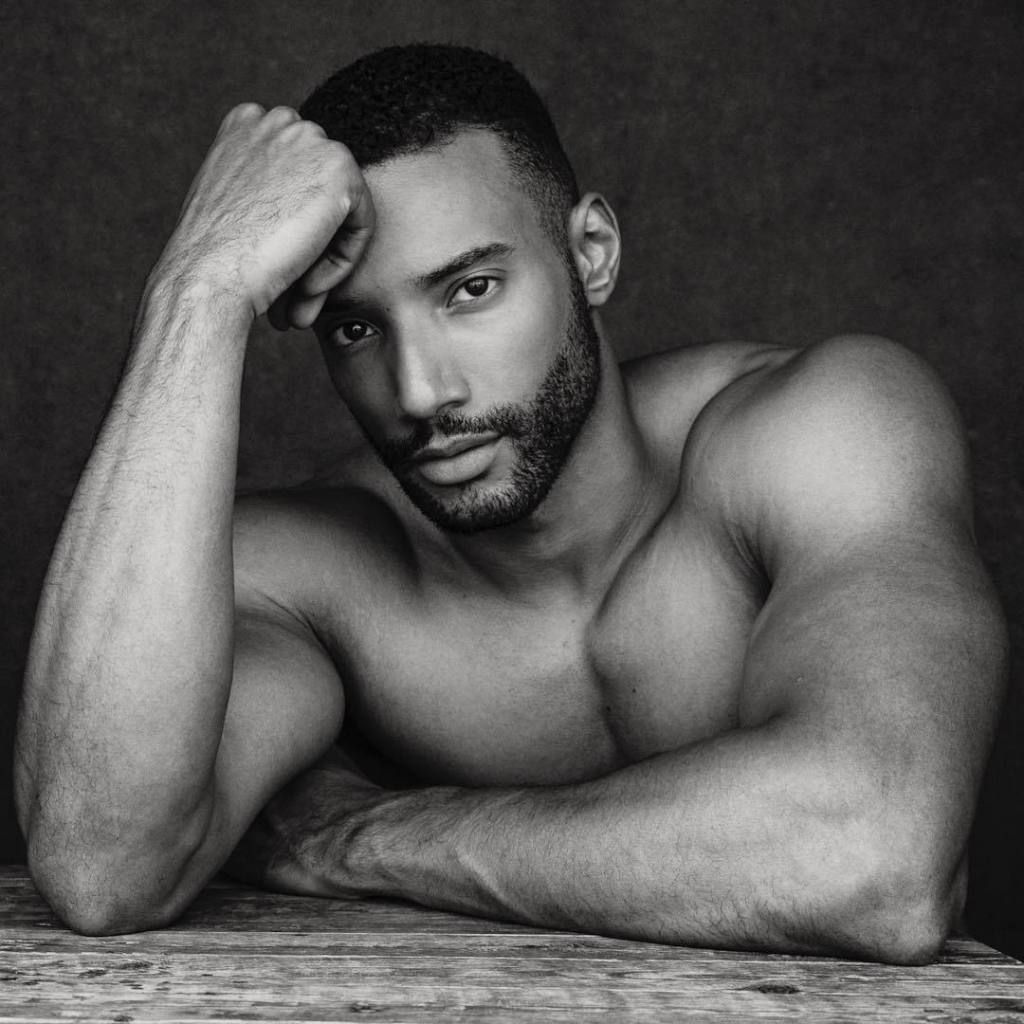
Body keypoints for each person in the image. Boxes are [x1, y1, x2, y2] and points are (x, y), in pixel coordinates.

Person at [14, 44, 1007, 962]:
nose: (419, 391)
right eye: (356, 329)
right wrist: (198, 292)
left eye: (471, 289)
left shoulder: (820, 428)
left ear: (591, 253)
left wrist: (358, 836)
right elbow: (104, 866)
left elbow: (873, 855)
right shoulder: (313, 572)